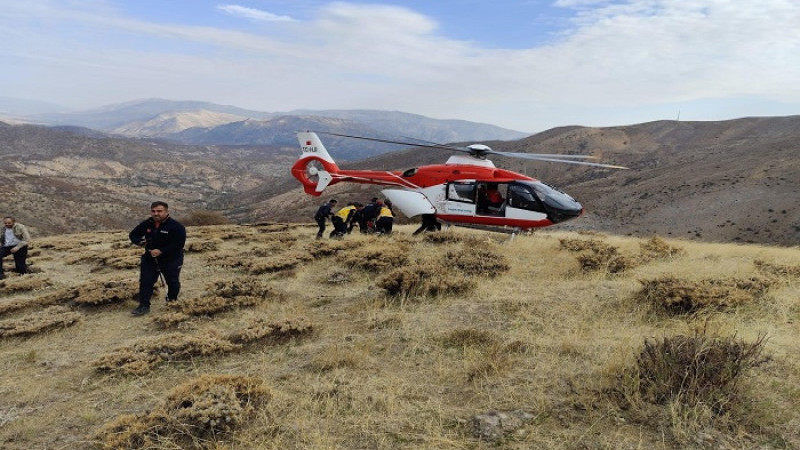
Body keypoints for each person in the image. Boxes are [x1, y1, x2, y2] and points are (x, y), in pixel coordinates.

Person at [128, 201, 186, 316]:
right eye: (153, 211)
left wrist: (162, 251)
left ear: (166, 211)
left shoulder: (176, 226)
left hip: (171, 259)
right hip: (150, 258)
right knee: (146, 281)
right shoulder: (147, 223)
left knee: (172, 282)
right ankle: (143, 305)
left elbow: (179, 244)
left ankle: (172, 300)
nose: (156, 213)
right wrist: (140, 242)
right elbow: (133, 234)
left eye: (159, 211)